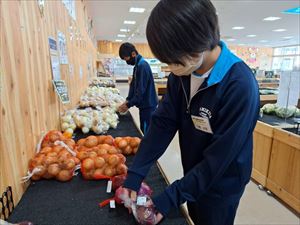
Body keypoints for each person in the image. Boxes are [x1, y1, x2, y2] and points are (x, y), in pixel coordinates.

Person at [122, 0, 260, 225]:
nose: (171, 67)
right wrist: (136, 173)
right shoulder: (181, 74)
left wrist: (170, 198)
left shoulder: (239, 84)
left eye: (174, 60)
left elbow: (218, 160)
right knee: (195, 216)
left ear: (199, 41)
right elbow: (163, 123)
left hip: (222, 183)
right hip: (194, 172)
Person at [118, 43, 158, 134]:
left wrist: (128, 105)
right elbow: (133, 85)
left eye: (126, 58)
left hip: (148, 105)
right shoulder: (137, 66)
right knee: (143, 128)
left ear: (133, 54)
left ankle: (148, 148)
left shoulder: (142, 66)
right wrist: (128, 100)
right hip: (143, 105)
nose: (126, 62)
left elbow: (140, 92)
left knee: (146, 131)